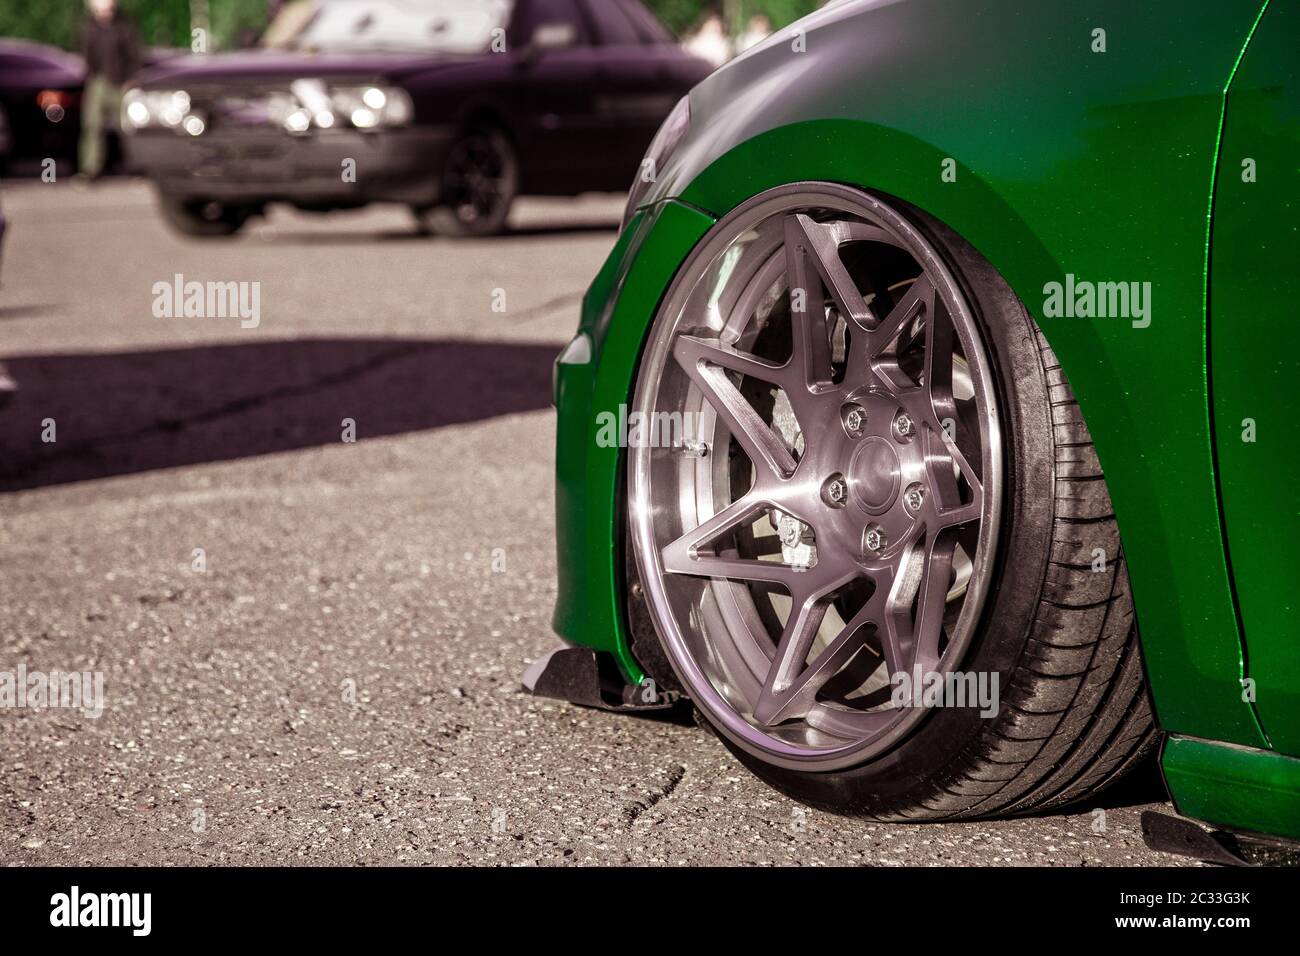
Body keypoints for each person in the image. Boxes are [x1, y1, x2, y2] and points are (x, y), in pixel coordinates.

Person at [78, 0, 140, 180]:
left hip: (121, 82)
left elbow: (134, 54)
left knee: (128, 125)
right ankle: (91, 169)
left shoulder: (124, 25)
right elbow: (86, 55)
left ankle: (135, 166)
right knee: (93, 126)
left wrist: (131, 78)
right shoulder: (88, 27)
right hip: (98, 81)